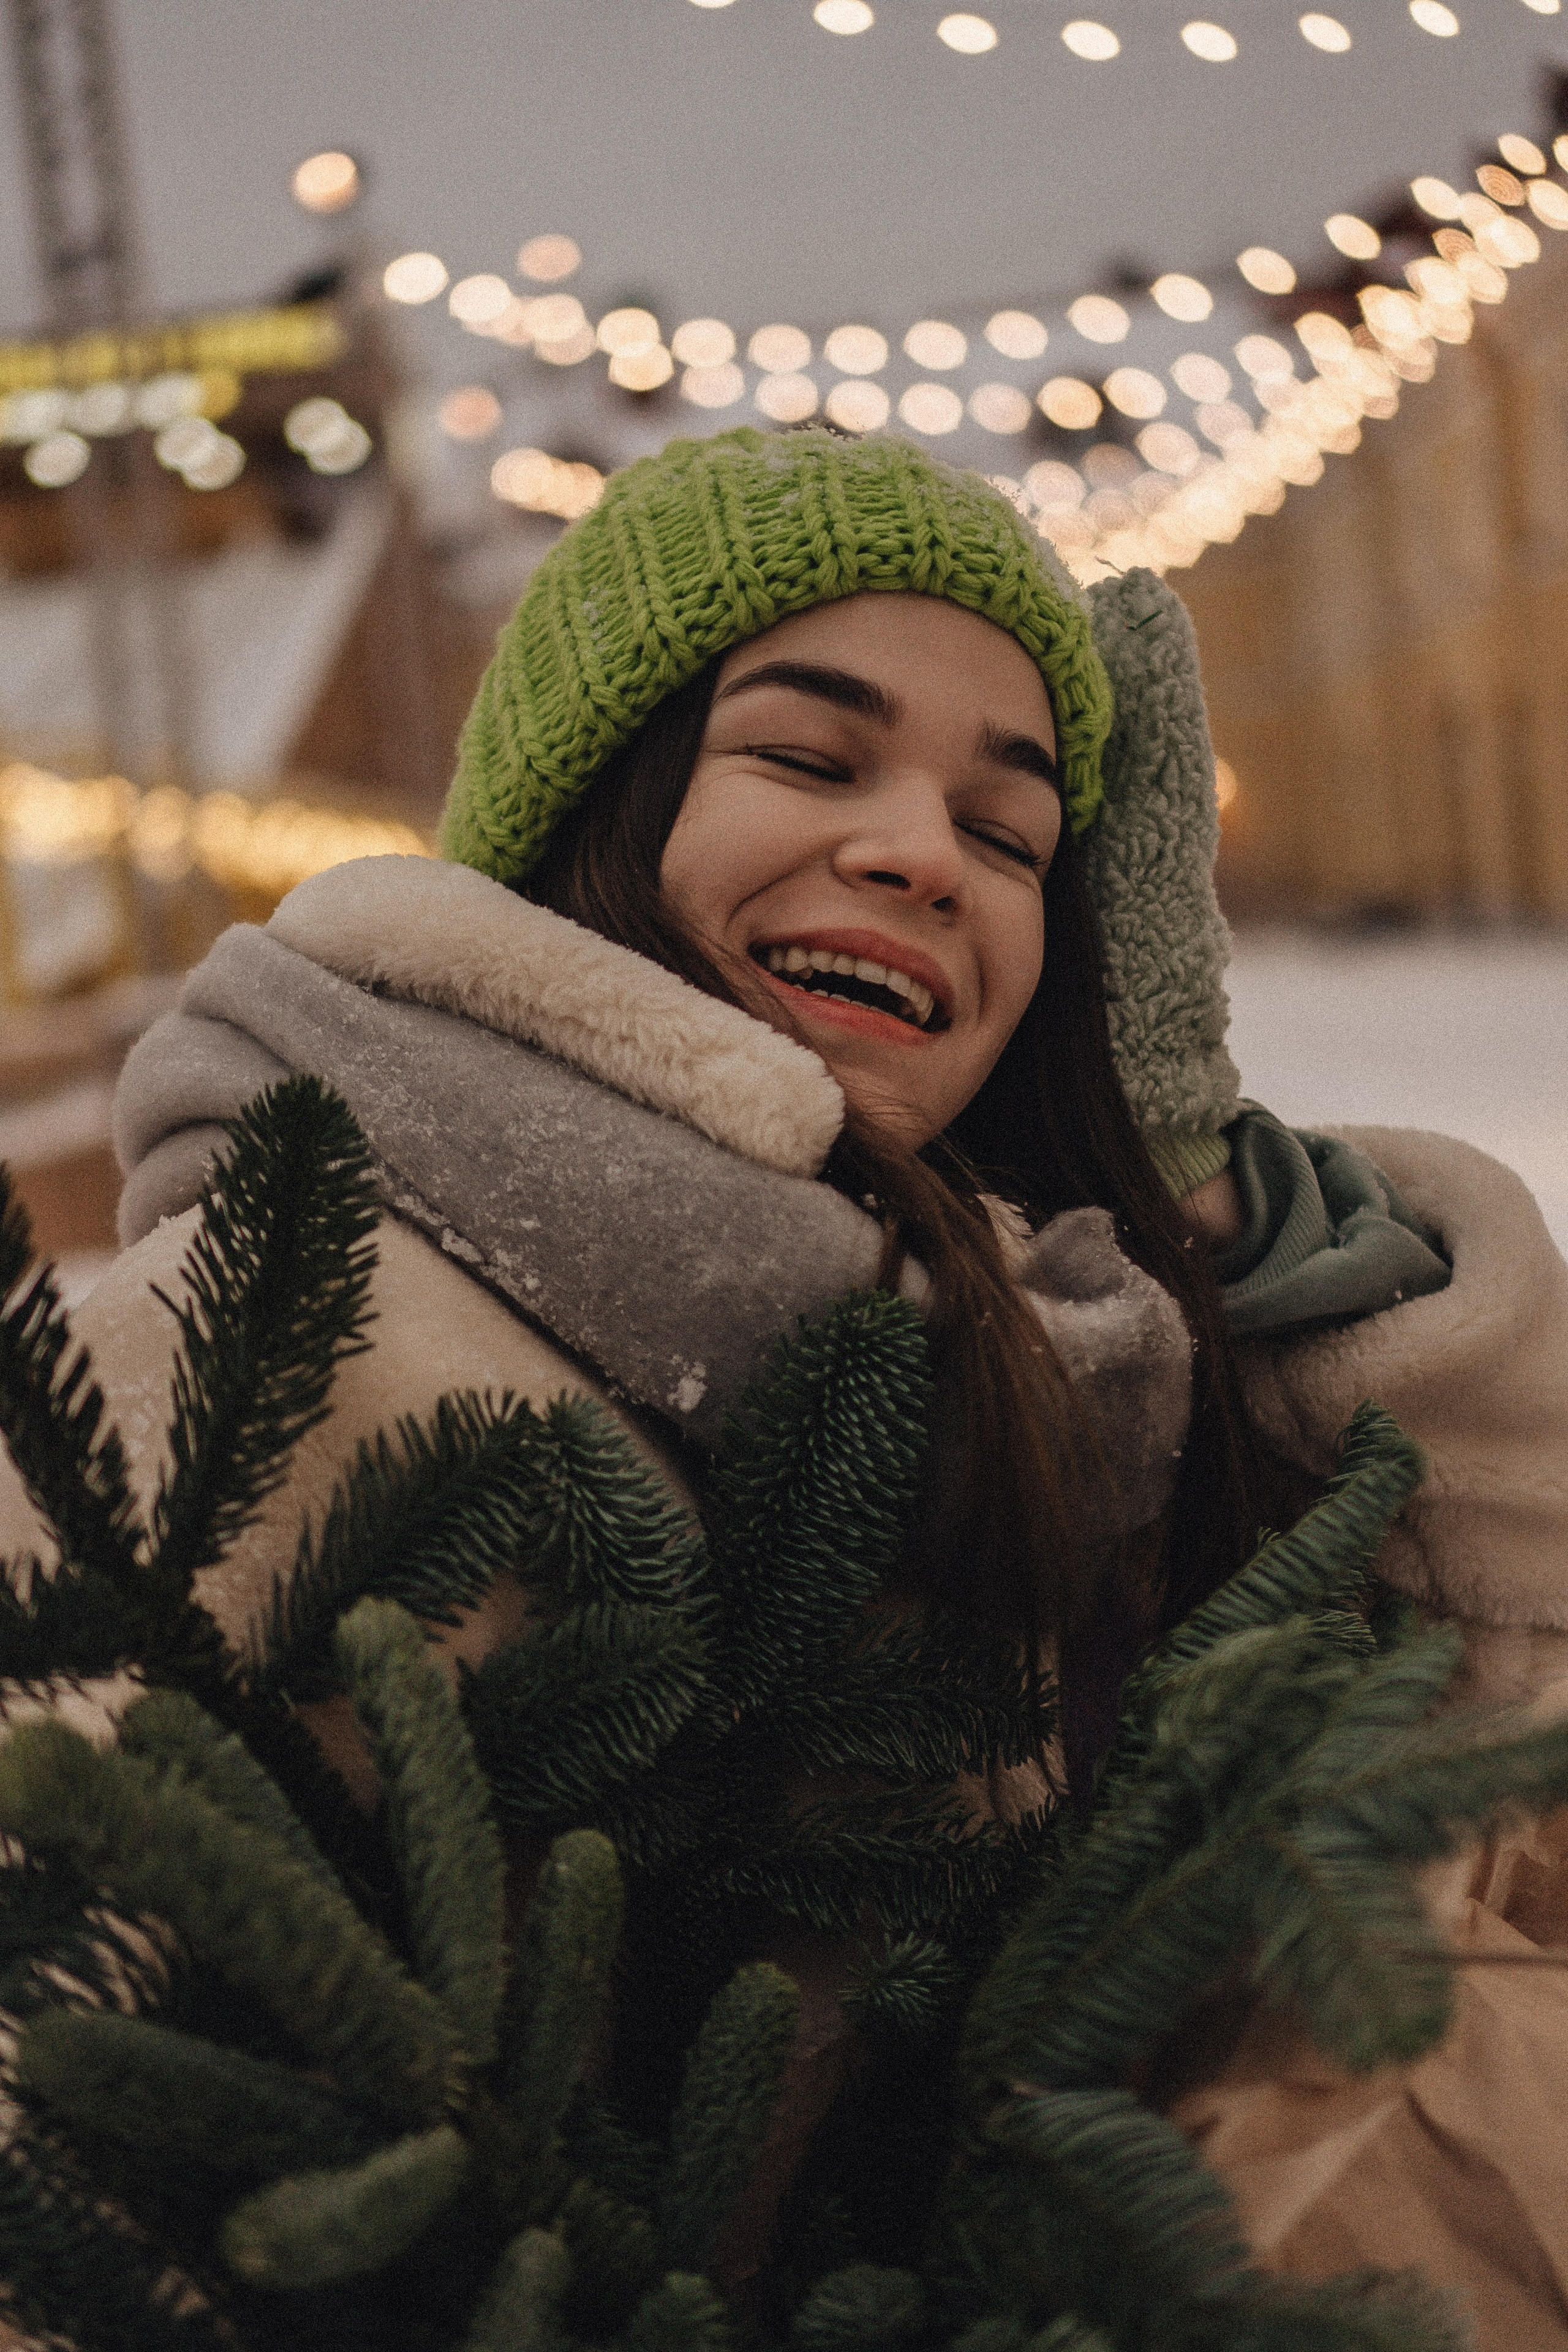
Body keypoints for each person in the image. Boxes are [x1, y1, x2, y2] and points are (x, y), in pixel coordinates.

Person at [10, 427, 1568, 2339]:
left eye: (1010, 836)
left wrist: (1184, 1174)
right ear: (600, 803)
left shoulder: (1037, 1353)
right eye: (809, 758)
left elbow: (1503, 1744)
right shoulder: (264, 1339)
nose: (923, 852)